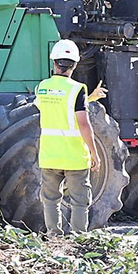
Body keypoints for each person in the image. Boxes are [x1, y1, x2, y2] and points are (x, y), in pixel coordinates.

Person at [35, 39, 97, 235]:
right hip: (74, 157)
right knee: (79, 200)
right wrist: (94, 153)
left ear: (53, 62)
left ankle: (54, 237)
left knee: (51, 200)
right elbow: (83, 124)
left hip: (50, 155)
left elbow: (51, 107)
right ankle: (78, 239)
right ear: (75, 65)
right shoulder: (77, 89)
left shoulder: (42, 88)